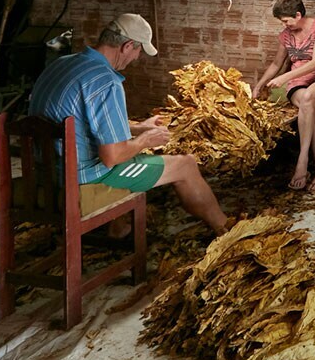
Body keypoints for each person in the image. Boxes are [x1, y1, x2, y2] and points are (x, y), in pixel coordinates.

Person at [28, 13, 229, 233]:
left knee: (130, 150)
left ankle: (119, 229)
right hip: (80, 177)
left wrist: (138, 127)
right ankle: (226, 230)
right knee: (186, 164)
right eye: (138, 51)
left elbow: (78, 122)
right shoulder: (105, 81)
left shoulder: (63, 63)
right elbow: (112, 156)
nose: (136, 58)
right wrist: (145, 140)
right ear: (127, 46)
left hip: (43, 171)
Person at [251, 0, 315, 192]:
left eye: (286, 21)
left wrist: (284, 79)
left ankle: (302, 161)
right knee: (314, 109)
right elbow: (277, 63)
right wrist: (259, 85)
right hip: (298, 83)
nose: (284, 25)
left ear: (298, 14)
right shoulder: (285, 35)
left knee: (310, 97)